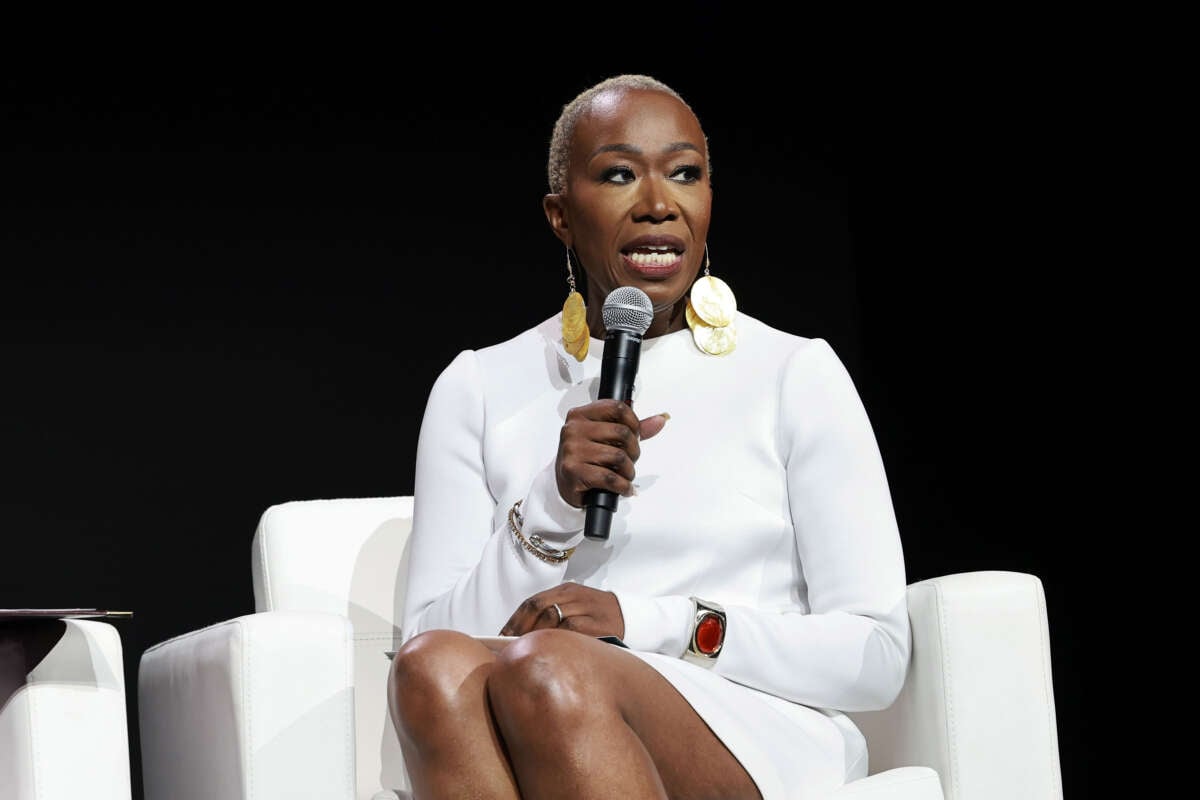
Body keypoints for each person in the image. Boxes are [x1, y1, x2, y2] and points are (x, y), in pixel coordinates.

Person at [386, 73, 911, 800]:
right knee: (433, 670)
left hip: (749, 719)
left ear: (709, 204)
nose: (659, 204)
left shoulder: (794, 371)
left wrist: (649, 622)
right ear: (561, 215)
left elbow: (878, 654)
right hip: (535, 694)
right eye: (620, 174)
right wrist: (552, 502)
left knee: (551, 669)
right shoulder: (478, 387)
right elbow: (429, 643)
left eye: (686, 174)